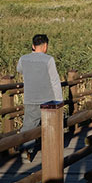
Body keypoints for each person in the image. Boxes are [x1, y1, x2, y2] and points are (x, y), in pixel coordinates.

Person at [16, 34, 62, 163]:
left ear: (33, 46)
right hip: (48, 99)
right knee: (50, 126)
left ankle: (26, 150)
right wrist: (59, 100)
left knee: (29, 126)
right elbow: (54, 80)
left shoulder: (23, 59)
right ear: (46, 46)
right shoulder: (49, 60)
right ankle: (51, 153)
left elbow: (19, 70)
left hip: (30, 97)